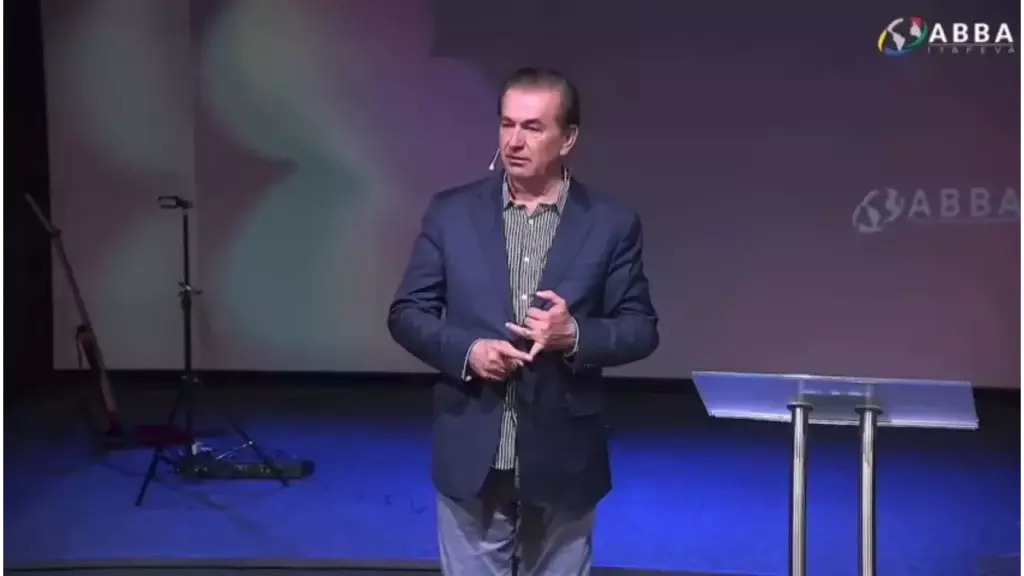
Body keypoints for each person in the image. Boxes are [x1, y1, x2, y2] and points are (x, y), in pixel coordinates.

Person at [388, 67, 659, 575]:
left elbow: (640, 327)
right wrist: (469, 352)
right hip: (472, 447)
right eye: (507, 124)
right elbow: (407, 313)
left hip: (564, 454)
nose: (514, 141)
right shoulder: (451, 213)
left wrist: (574, 335)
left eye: (533, 127)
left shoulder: (610, 223)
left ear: (568, 139)